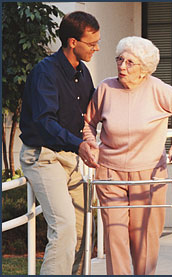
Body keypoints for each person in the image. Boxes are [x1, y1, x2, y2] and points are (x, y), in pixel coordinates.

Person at [83, 36, 172, 275]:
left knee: (145, 237)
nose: (122, 66)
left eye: (129, 62)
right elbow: (88, 123)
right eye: (119, 59)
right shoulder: (105, 88)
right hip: (110, 173)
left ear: (144, 69)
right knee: (115, 236)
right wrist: (89, 143)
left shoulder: (158, 89)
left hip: (149, 175)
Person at [19, 11, 100, 275]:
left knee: (81, 228)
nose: (96, 48)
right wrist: (80, 145)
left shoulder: (83, 72)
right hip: (42, 157)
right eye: (92, 43)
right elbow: (45, 122)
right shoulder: (46, 72)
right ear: (73, 42)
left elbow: (90, 114)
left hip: (69, 157)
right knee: (63, 227)